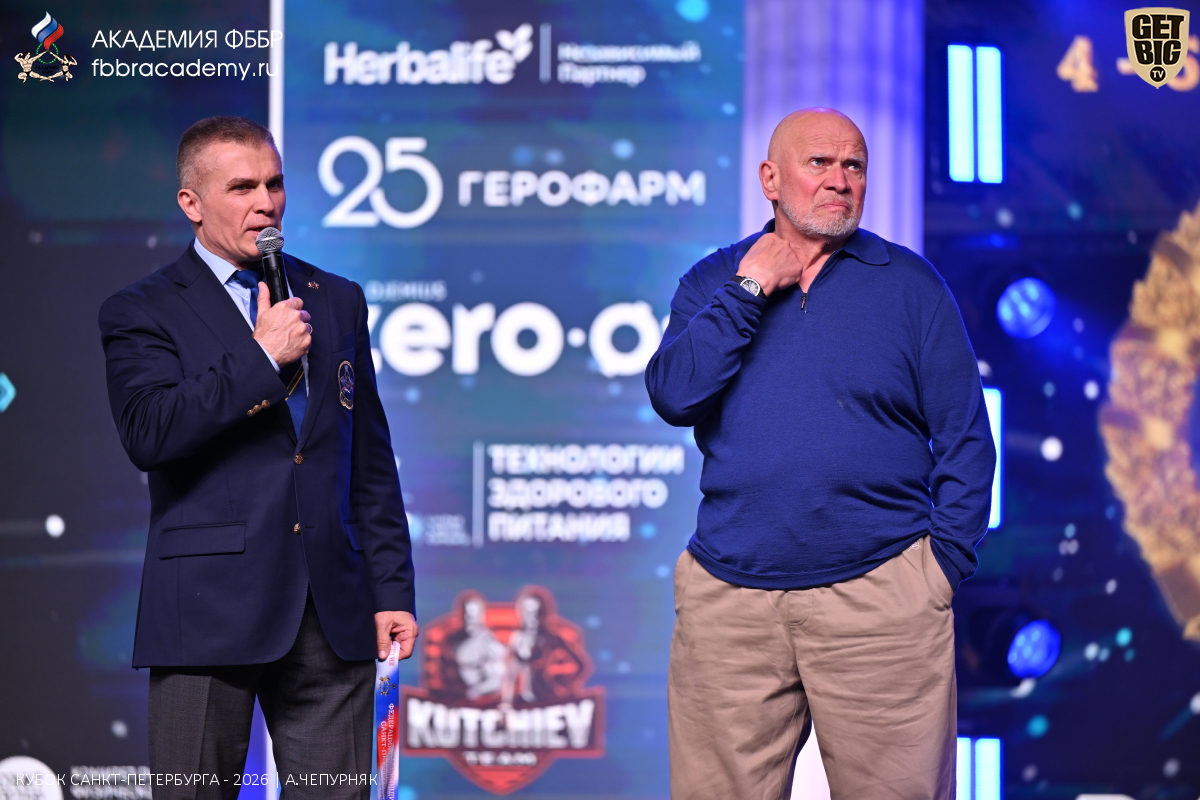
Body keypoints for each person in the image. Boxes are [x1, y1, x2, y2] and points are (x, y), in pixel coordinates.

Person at [645, 108, 996, 799]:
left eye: (853, 165)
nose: (840, 180)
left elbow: (966, 439)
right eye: (819, 163)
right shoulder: (714, 280)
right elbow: (674, 396)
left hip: (882, 598)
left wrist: (937, 571)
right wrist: (749, 289)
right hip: (730, 601)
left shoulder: (910, 286)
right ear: (770, 179)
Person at [98, 116, 417, 799]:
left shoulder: (335, 298)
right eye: (242, 188)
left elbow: (368, 459)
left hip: (331, 611)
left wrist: (391, 589)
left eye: (274, 184)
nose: (265, 203)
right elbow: (149, 433)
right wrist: (262, 356)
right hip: (206, 611)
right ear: (192, 203)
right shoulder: (142, 309)